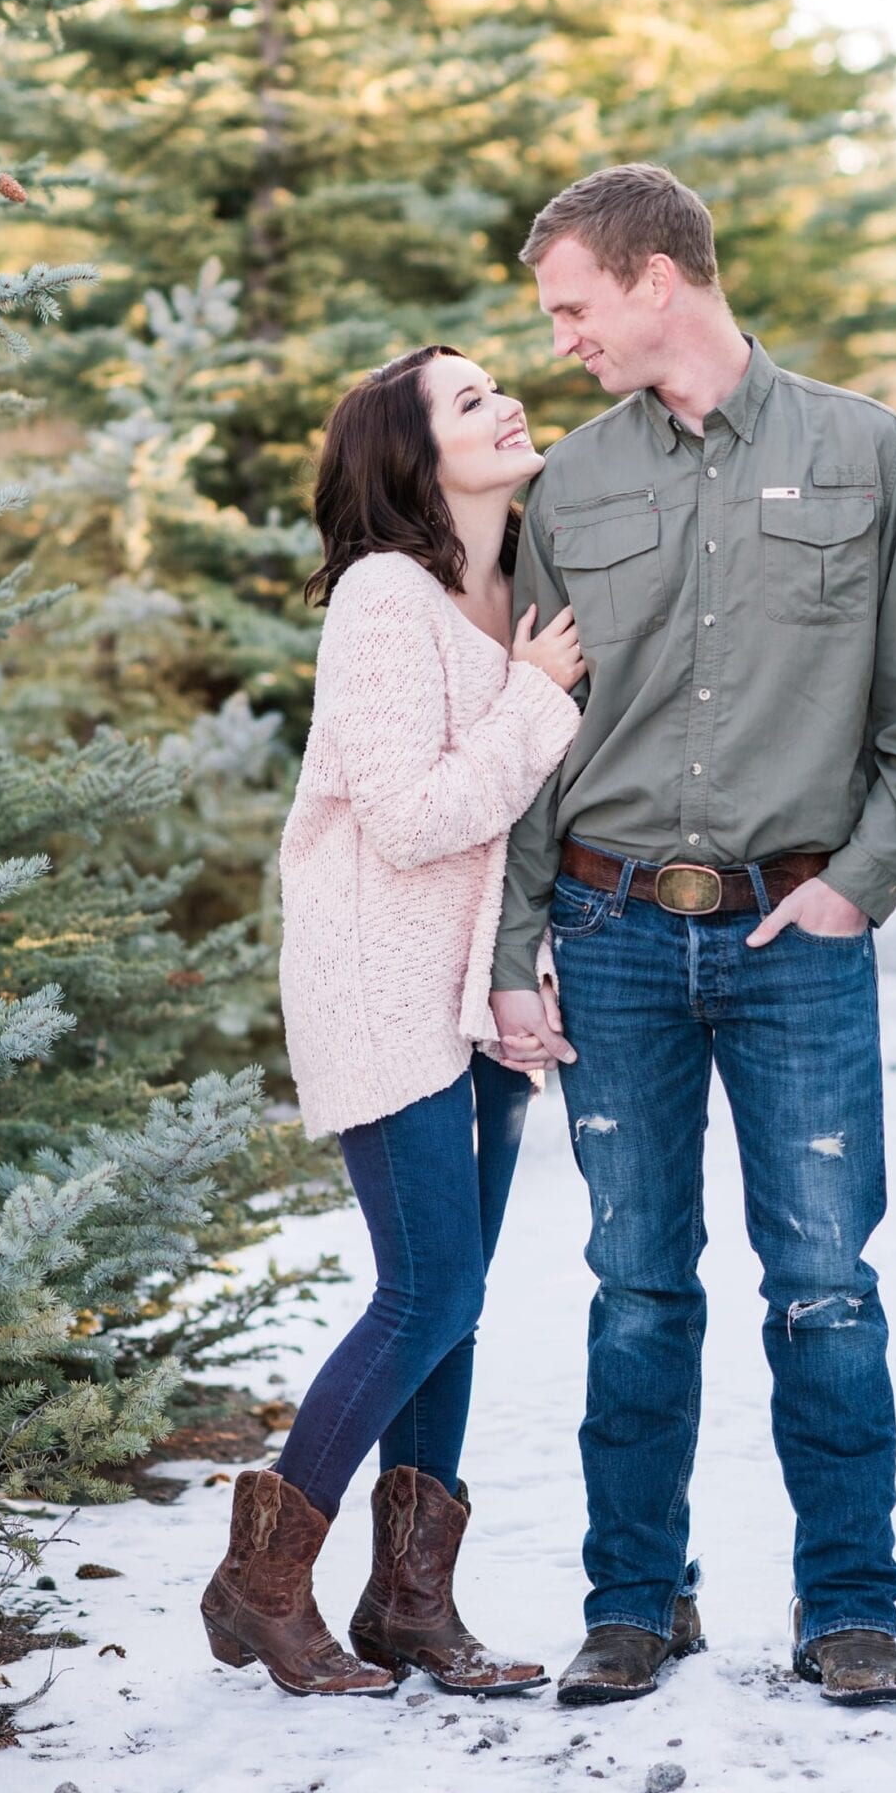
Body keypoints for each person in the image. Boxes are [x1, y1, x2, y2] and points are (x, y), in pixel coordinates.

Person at [490, 164, 896, 1712]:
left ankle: (849, 1611)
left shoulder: (867, 450)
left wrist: (855, 885)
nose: (558, 337)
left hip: (795, 937)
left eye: (572, 304)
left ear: (655, 281)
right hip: (612, 927)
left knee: (825, 1282)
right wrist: (516, 947)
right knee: (636, 1284)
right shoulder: (567, 487)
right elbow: (530, 737)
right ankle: (634, 1605)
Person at [201, 347, 584, 1699]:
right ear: (414, 456)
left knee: (453, 1312)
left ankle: (411, 1604)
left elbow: (526, 816)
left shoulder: (527, 581)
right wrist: (536, 699)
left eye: (497, 386)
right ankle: (258, 1585)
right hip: (379, 978)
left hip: (479, 989)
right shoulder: (382, 598)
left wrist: (526, 973)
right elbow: (412, 816)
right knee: (428, 1288)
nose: (506, 404)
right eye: (469, 400)